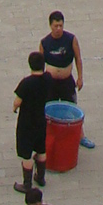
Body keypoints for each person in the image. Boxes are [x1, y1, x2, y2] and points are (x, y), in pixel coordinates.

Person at [40, 11, 94, 148]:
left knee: (72, 108)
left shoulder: (71, 39)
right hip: (50, 83)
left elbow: (78, 59)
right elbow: (39, 65)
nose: (58, 29)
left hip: (66, 82)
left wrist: (80, 77)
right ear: (50, 26)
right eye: (56, 26)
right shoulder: (44, 42)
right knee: (47, 111)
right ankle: (45, 137)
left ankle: (80, 136)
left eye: (61, 26)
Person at [12, 50, 50, 195]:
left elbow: (18, 101)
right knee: (41, 149)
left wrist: (14, 108)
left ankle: (27, 184)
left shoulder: (26, 83)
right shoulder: (47, 79)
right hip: (41, 120)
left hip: (27, 123)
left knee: (26, 154)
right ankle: (41, 177)